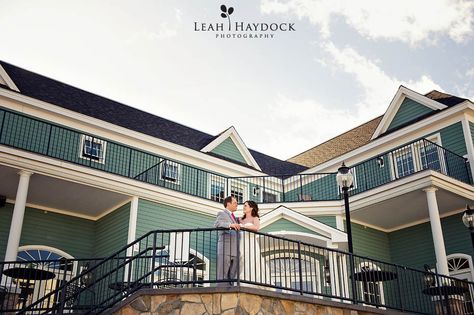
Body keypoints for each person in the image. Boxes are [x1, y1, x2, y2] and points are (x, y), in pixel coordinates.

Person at [239, 200, 272, 287]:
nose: (244, 207)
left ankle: (250, 281)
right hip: (242, 242)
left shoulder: (255, 218)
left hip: (251, 243)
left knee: (252, 260)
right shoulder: (240, 219)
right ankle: (241, 279)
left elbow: (256, 228)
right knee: (242, 260)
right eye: (244, 205)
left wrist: (244, 226)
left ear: (251, 208)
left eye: (246, 205)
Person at [214, 196, 240, 286]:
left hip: (235, 250)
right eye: (235, 203)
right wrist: (230, 225)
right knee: (223, 274)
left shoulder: (235, 217)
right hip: (225, 248)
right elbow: (217, 224)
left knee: (232, 276)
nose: (237, 204)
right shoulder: (222, 213)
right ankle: (221, 292)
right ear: (228, 204)